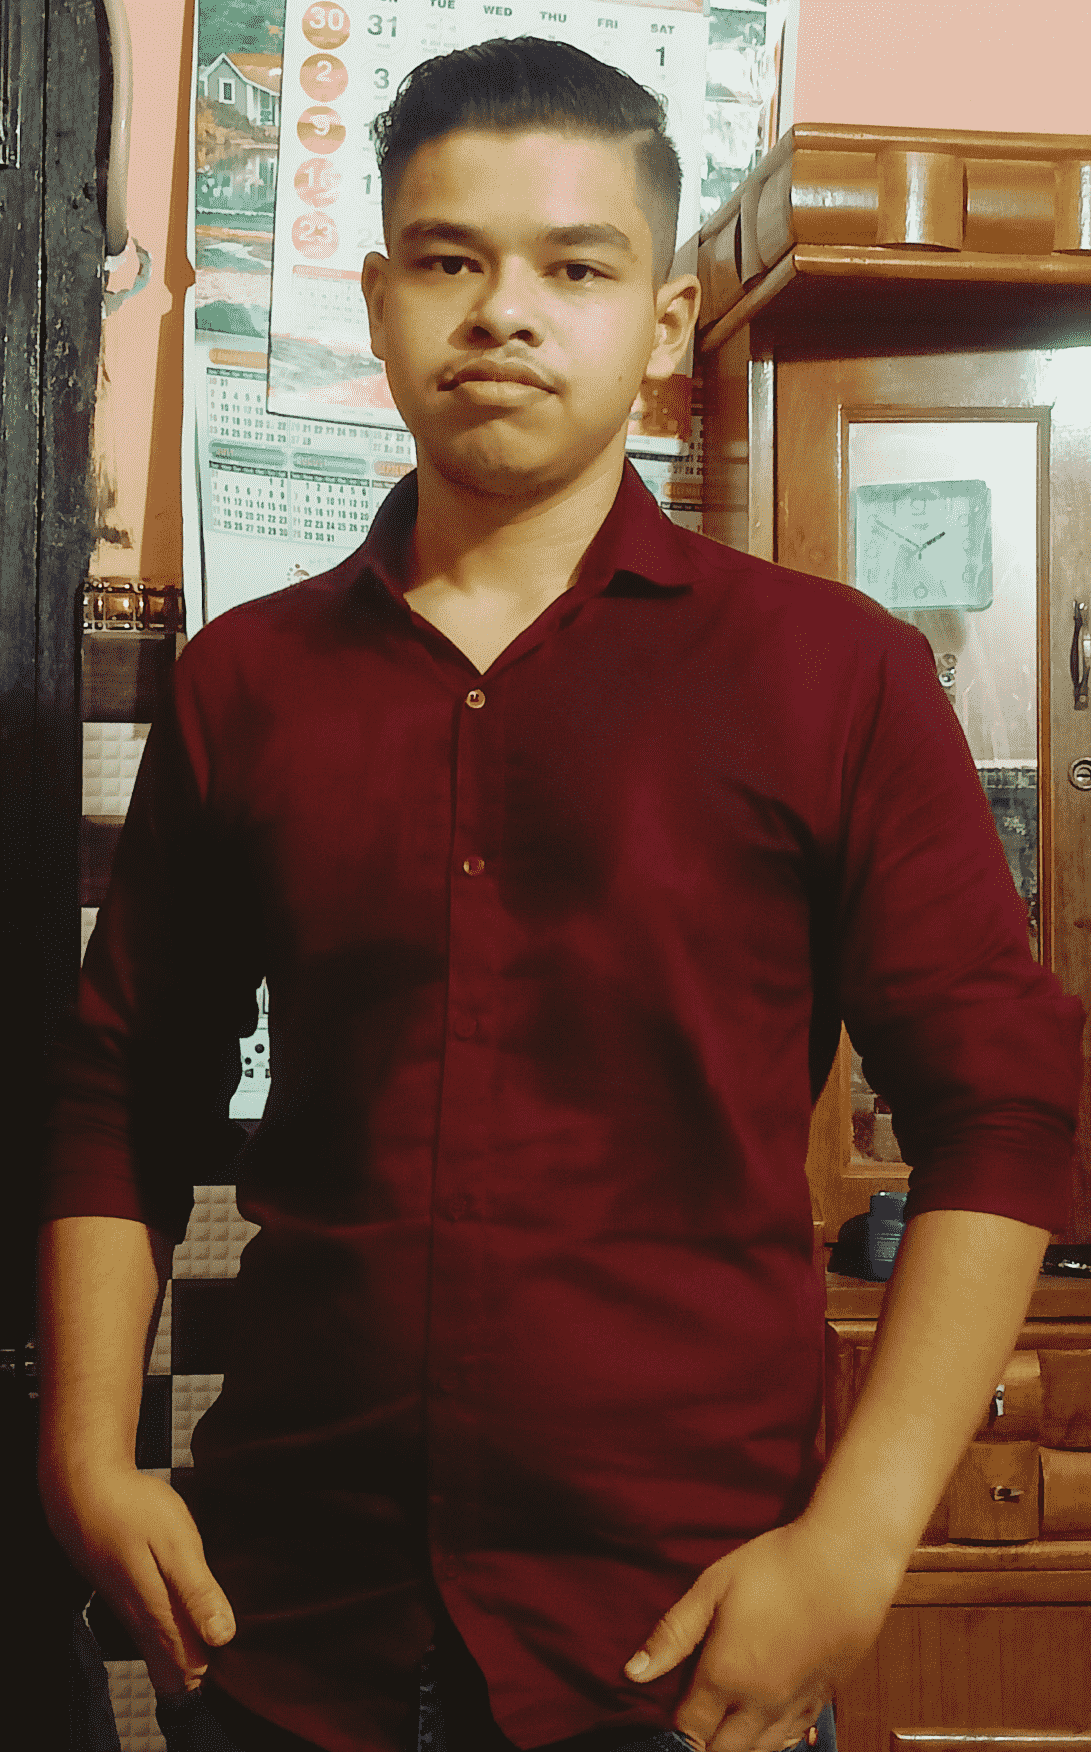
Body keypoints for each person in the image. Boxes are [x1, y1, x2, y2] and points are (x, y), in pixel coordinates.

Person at [37, 34, 1084, 1752]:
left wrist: (858, 1538)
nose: (503, 313)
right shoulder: (248, 684)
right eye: (449, 260)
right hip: (285, 1624)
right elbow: (122, 1089)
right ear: (380, 304)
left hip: (681, 1638)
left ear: (662, 323)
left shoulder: (830, 678)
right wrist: (89, 1455)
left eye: (574, 268)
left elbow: (1005, 1108)